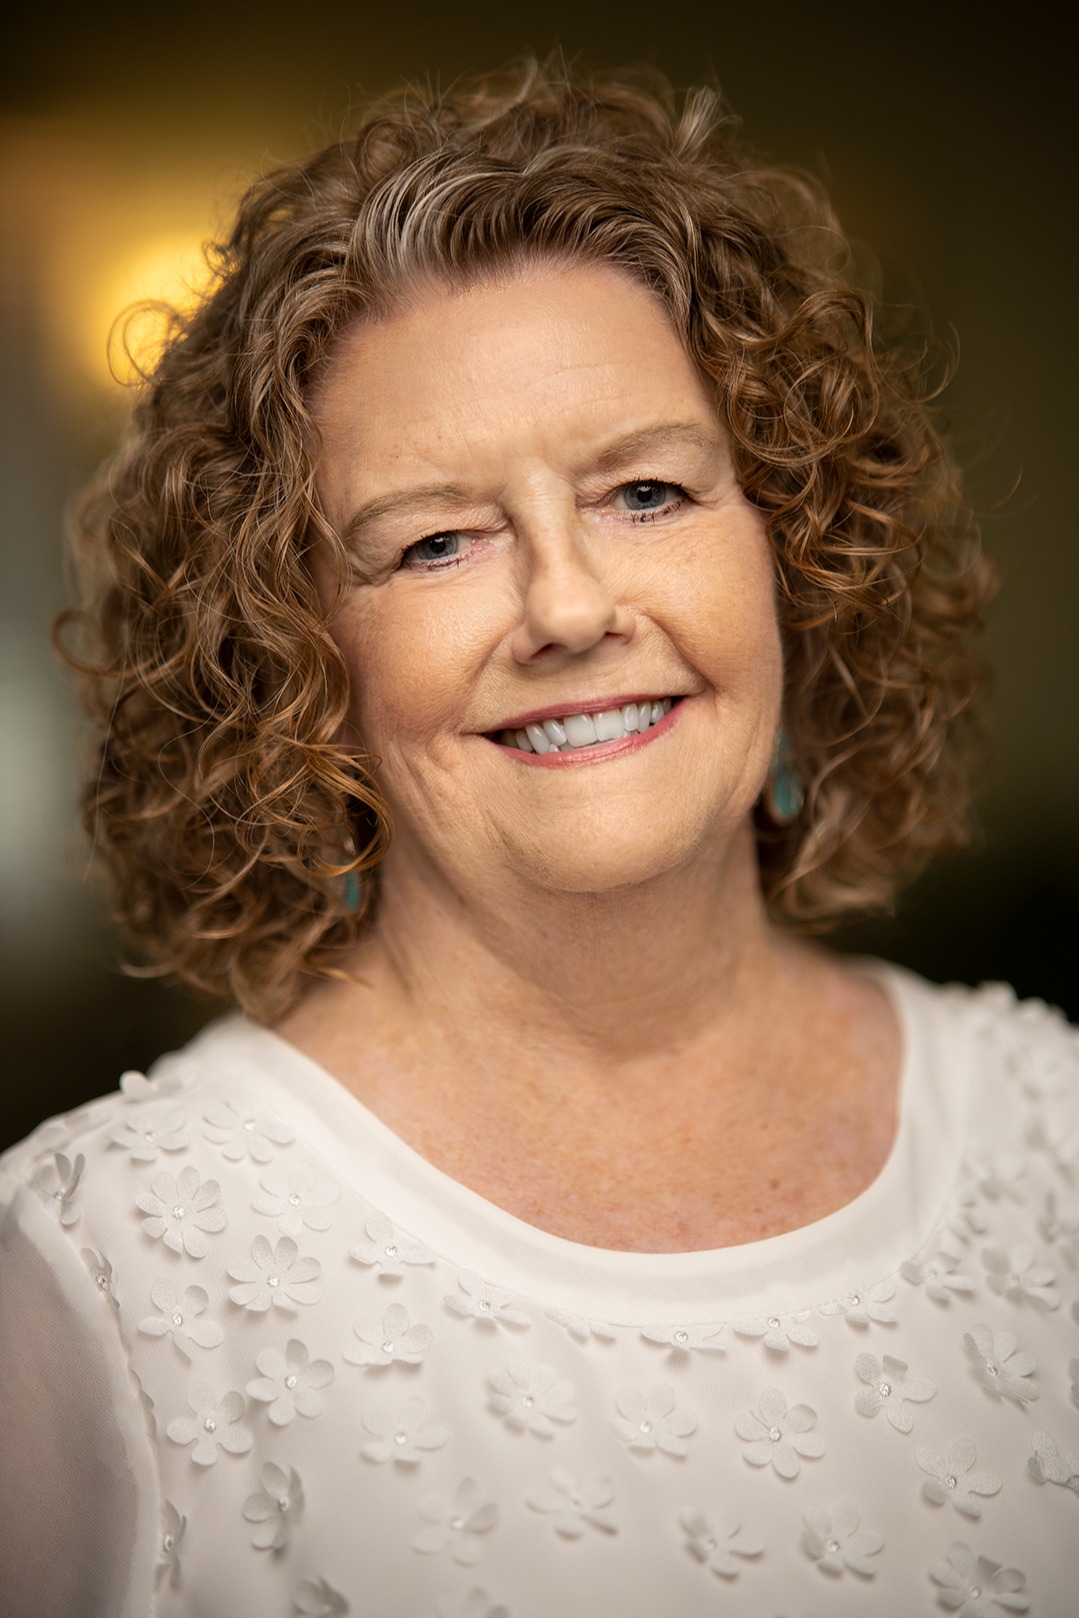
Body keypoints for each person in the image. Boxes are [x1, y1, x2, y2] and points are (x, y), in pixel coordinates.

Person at [1, 59, 1075, 1619]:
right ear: (296, 665)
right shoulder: (97, 1278)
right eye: (438, 541)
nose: (569, 607)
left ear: (793, 558)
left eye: (645, 493)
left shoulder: (1054, 1131)